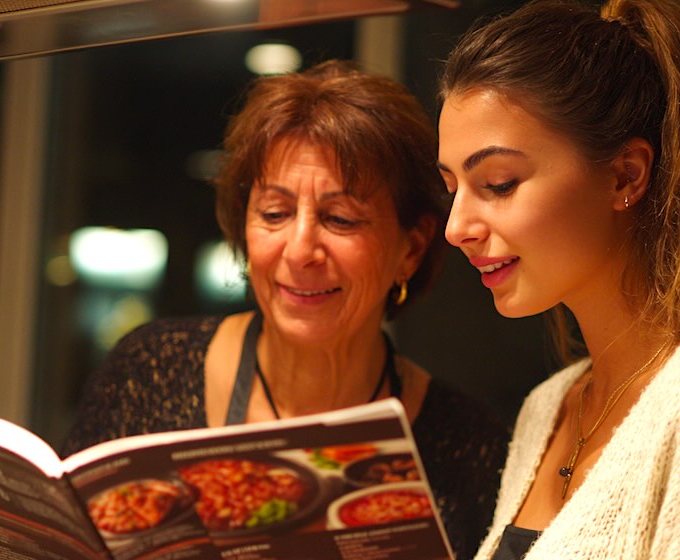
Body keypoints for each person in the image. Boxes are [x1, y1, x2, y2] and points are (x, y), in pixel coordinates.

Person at [436, 0, 680, 558]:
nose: (457, 228)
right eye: (452, 187)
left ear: (625, 174)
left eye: (499, 183)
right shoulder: (548, 406)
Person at [62, 59, 510, 559]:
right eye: (274, 213)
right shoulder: (149, 373)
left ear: (411, 246)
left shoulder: (470, 445)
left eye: (340, 219)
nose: (299, 250)